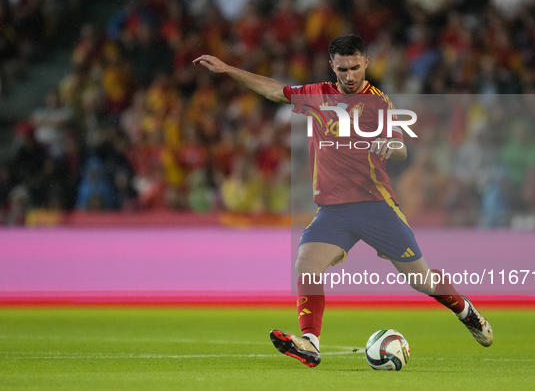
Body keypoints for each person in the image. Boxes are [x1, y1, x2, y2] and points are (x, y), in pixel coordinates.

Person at [194, 34, 493, 367]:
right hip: (334, 211)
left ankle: (464, 309)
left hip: (376, 207)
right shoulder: (317, 94)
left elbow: (402, 146)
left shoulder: (379, 103)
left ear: (366, 62)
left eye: (354, 68)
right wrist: (227, 69)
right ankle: (309, 341)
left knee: (420, 280)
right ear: (331, 66)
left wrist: (388, 146)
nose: (349, 76)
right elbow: (273, 90)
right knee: (306, 264)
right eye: (342, 69)